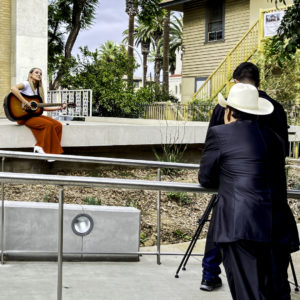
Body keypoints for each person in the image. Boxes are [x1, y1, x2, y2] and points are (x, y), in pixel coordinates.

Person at [199, 83, 299, 300]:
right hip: (277, 226)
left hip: (241, 226)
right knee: (277, 292)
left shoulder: (219, 134)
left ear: (229, 111)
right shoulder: (275, 139)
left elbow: (205, 178)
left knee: (248, 293)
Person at [11, 67, 66, 155]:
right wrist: (25, 102)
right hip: (24, 116)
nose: (39, 75)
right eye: (36, 73)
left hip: (34, 115)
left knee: (58, 125)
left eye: (40, 74)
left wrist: (58, 108)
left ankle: (51, 152)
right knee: (49, 125)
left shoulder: (38, 90)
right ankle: (42, 147)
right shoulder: (26, 84)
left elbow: (41, 108)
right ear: (31, 75)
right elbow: (13, 89)